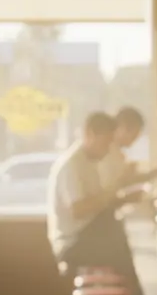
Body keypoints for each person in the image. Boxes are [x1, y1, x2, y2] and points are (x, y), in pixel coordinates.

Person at [48, 112, 140, 280]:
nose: (107, 150)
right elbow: (79, 210)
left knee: (119, 235)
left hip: (87, 232)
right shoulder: (72, 165)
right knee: (120, 250)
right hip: (72, 242)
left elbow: (99, 203)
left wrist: (125, 199)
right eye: (105, 144)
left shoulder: (89, 163)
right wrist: (116, 187)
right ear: (89, 134)